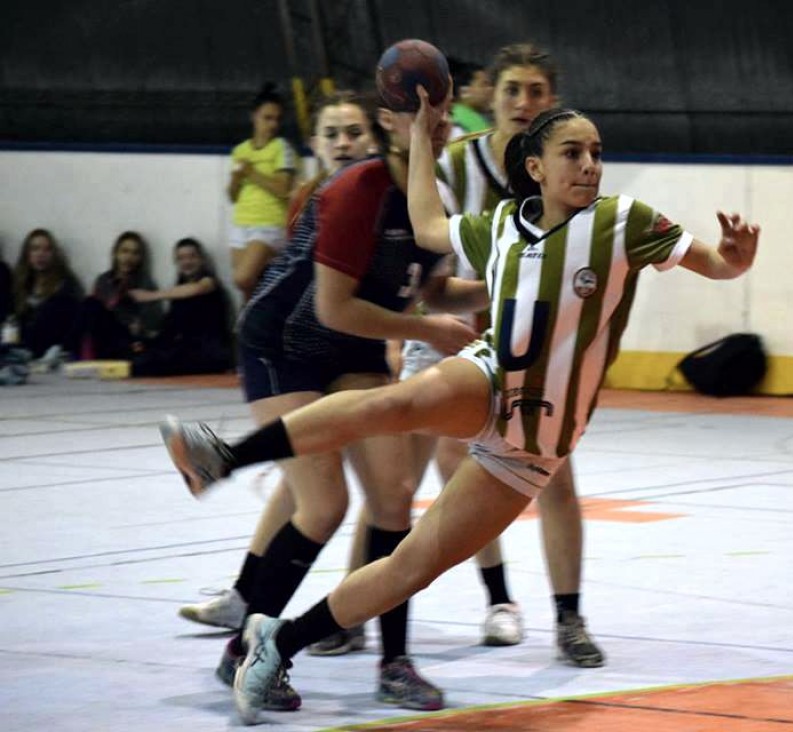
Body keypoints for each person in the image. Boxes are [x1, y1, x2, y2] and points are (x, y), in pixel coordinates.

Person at [160, 97, 760, 725]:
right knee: (391, 402)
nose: (590, 165)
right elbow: (426, 223)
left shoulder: (624, 221)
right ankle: (221, 456)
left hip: (538, 441)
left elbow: (712, 262)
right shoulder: (498, 224)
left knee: (411, 566)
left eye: (597, 153)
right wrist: (422, 138)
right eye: (573, 153)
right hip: (491, 377)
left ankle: (278, 643)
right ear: (535, 169)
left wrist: (734, 261)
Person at [175, 88, 480, 714]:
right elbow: (332, 307)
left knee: (393, 496)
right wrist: (424, 330)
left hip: (354, 350)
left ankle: (395, 663)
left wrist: (508, 284)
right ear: (389, 124)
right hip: (283, 343)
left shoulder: (433, 202)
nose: (438, 123)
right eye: (423, 111)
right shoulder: (354, 192)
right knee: (324, 503)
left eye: (443, 110)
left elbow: (436, 289)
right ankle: (244, 650)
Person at [414, 42, 602, 664]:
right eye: (512, 91)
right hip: (460, 331)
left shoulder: (567, 171)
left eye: (536, 92)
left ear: (553, 102)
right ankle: (498, 599)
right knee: (445, 467)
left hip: (535, 345)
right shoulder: (456, 167)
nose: (524, 103)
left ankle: (569, 618)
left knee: (555, 476)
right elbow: (426, 265)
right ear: (488, 99)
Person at [228, 83, 298, 301]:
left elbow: (282, 188)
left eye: (276, 119)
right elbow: (233, 196)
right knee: (247, 290)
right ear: (254, 116)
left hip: (268, 223)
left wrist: (251, 172)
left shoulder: (281, 147)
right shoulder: (240, 150)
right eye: (267, 118)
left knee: (243, 278)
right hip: (242, 222)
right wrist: (236, 179)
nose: (272, 124)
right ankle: (250, 332)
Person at [129, 238, 233, 376]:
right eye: (181, 258)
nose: (187, 262)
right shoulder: (178, 291)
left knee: (147, 364)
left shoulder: (209, 283)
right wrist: (146, 342)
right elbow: (170, 329)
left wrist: (151, 295)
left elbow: (197, 289)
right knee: (138, 356)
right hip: (185, 349)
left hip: (208, 353)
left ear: (201, 260)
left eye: (192, 257)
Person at [83, 231, 162, 360]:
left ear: (140, 258)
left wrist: (138, 325)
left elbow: (152, 322)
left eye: (135, 253)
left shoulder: (145, 283)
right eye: (125, 251)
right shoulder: (104, 280)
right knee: (89, 303)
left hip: (127, 337)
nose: (129, 257)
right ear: (116, 253)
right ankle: (63, 350)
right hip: (103, 332)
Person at [10, 229, 83, 358]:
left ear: (54, 254)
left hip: (51, 353)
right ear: (27, 254)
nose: (40, 254)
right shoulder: (20, 283)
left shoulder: (66, 285)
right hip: (19, 352)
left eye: (47, 249)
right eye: (35, 249)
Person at [446, 57, 493, 138]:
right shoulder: (459, 121)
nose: (491, 89)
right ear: (464, 91)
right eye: (484, 84)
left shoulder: (473, 118)